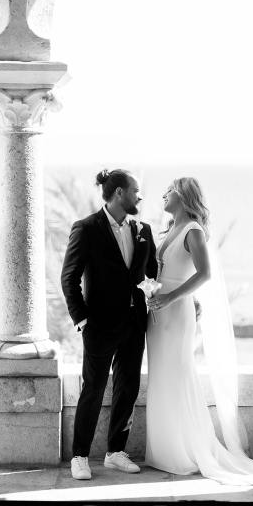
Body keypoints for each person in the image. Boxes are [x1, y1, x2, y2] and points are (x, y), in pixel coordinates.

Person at [145, 177, 253, 486]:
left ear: (183, 195)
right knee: (162, 377)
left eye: (169, 190)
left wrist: (172, 297)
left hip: (176, 313)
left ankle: (186, 452)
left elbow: (205, 274)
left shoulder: (193, 230)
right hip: (159, 314)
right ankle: (165, 449)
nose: (163, 195)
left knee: (178, 375)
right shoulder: (171, 227)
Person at [61, 168, 157, 480]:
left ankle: (116, 452)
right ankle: (79, 456)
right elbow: (69, 278)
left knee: (127, 388)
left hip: (134, 323)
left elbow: (153, 272)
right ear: (119, 193)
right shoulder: (86, 228)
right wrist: (83, 320)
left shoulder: (144, 229)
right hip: (99, 326)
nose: (140, 197)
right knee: (94, 390)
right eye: (135, 191)